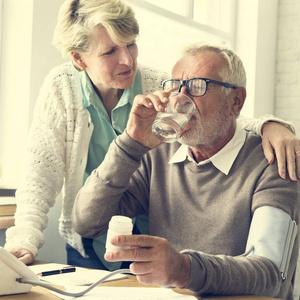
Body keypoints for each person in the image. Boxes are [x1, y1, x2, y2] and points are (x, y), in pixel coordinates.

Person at [4, 0, 299, 270]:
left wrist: (269, 125)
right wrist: (24, 238)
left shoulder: (163, 84)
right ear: (80, 60)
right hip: (95, 231)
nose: (127, 60)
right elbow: (40, 174)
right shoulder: (62, 89)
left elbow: (218, 115)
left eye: (130, 44)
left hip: (153, 235)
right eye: (110, 51)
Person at [72, 43, 299, 300]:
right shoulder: (158, 154)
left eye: (197, 86)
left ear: (236, 101)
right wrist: (130, 144)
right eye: (175, 86)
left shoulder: (273, 160)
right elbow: (87, 222)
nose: (180, 100)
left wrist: (185, 269)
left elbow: (271, 275)